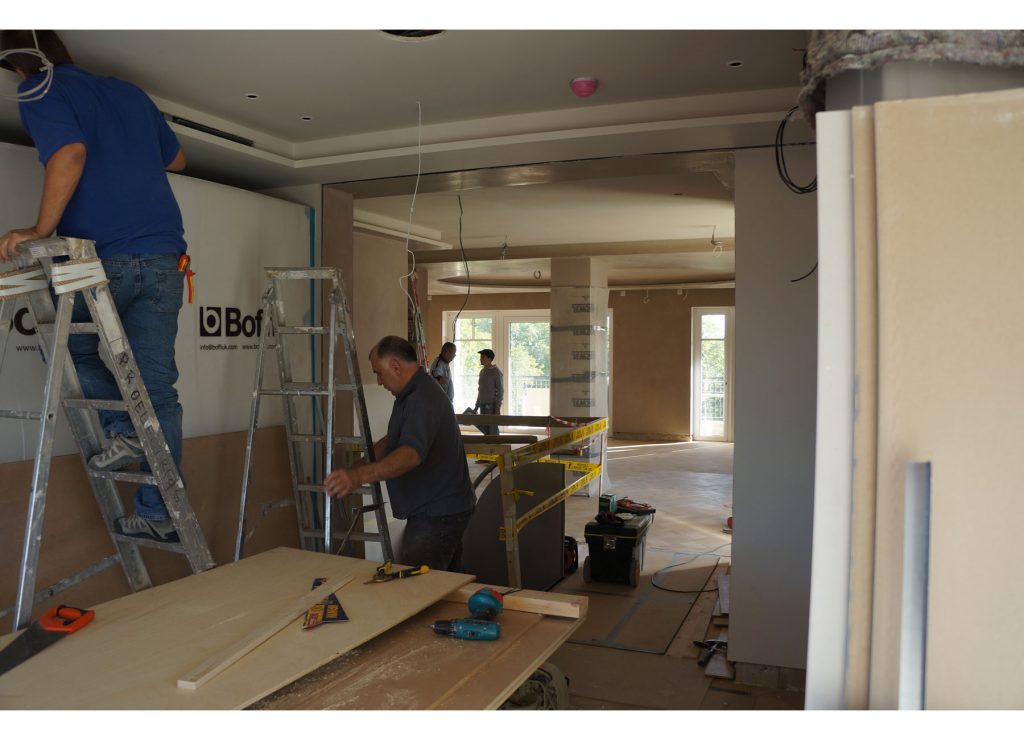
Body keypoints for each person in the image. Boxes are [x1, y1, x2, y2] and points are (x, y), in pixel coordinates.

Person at [0, 31, 189, 542]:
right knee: (158, 391)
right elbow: (177, 160)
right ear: (70, 53)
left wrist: (40, 231)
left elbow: (70, 153)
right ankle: (161, 514)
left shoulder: (38, 88)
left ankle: (125, 433)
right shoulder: (129, 92)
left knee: (72, 354)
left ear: (18, 68)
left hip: (100, 260)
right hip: (162, 257)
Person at [323, 336, 476, 571]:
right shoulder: (411, 394)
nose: (379, 381)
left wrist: (358, 477)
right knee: (443, 586)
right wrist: (357, 467)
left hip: (438, 513)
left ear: (395, 366)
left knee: (418, 589)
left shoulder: (421, 399)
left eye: (379, 373)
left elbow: (410, 455)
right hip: (439, 509)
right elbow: (392, 441)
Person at [474, 348, 504, 436]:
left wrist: (497, 407)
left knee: (492, 428)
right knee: (485, 428)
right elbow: (480, 389)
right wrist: (476, 405)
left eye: (483, 357)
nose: (480, 359)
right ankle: (488, 447)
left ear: (490, 359)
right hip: (482, 404)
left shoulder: (496, 372)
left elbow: (500, 390)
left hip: (491, 405)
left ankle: (495, 446)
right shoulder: (482, 371)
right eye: (481, 357)